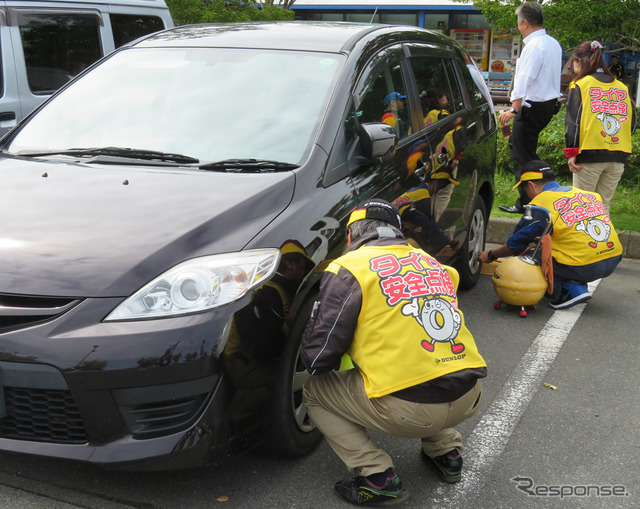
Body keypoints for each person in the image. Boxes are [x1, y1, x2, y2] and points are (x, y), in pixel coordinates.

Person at [301, 199, 487, 506]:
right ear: (398, 233)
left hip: (411, 411)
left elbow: (319, 355)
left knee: (316, 392)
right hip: (470, 395)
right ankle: (447, 452)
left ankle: (376, 476)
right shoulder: (434, 264)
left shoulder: (350, 268)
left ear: (352, 236)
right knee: (430, 362)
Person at [479, 160, 622, 310]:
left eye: (523, 188)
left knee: (532, 254)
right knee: (551, 244)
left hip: (584, 265)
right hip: (612, 259)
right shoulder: (587, 194)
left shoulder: (542, 204)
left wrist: (491, 255)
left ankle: (568, 290)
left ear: (532, 185)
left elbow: (516, 244)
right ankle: (576, 282)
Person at [223, 240, 314, 420]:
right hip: (238, 359)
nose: (305, 273)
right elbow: (260, 348)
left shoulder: (279, 288)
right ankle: (234, 422)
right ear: (290, 263)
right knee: (282, 379)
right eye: (304, 266)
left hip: (253, 352)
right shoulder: (264, 294)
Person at [498, 1, 562, 214]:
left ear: (524, 22)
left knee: (523, 158)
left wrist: (513, 110)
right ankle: (531, 200)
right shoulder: (553, 43)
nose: (518, 26)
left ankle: (529, 203)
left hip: (531, 107)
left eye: (518, 23)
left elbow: (523, 81)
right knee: (526, 152)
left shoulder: (534, 46)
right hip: (547, 106)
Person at [565, 41, 636, 214]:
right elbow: (632, 125)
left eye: (573, 64)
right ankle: (603, 241)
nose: (572, 69)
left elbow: (573, 122)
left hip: (589, 153)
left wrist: (572, 152)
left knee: (584, 207)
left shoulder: (580, 85)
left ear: (579, 61)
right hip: (618, 154)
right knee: (603, 206)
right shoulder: (621, 87)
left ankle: (584, 242)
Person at [393, 162, 462, 255]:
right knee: (417, 244)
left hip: (388, 226)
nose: (439, 191)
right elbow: (428, 225)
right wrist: (446, 242)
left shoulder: (415, 190)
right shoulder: (423, 198)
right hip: (392, 232)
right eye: (442, 186)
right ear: (436, 183)